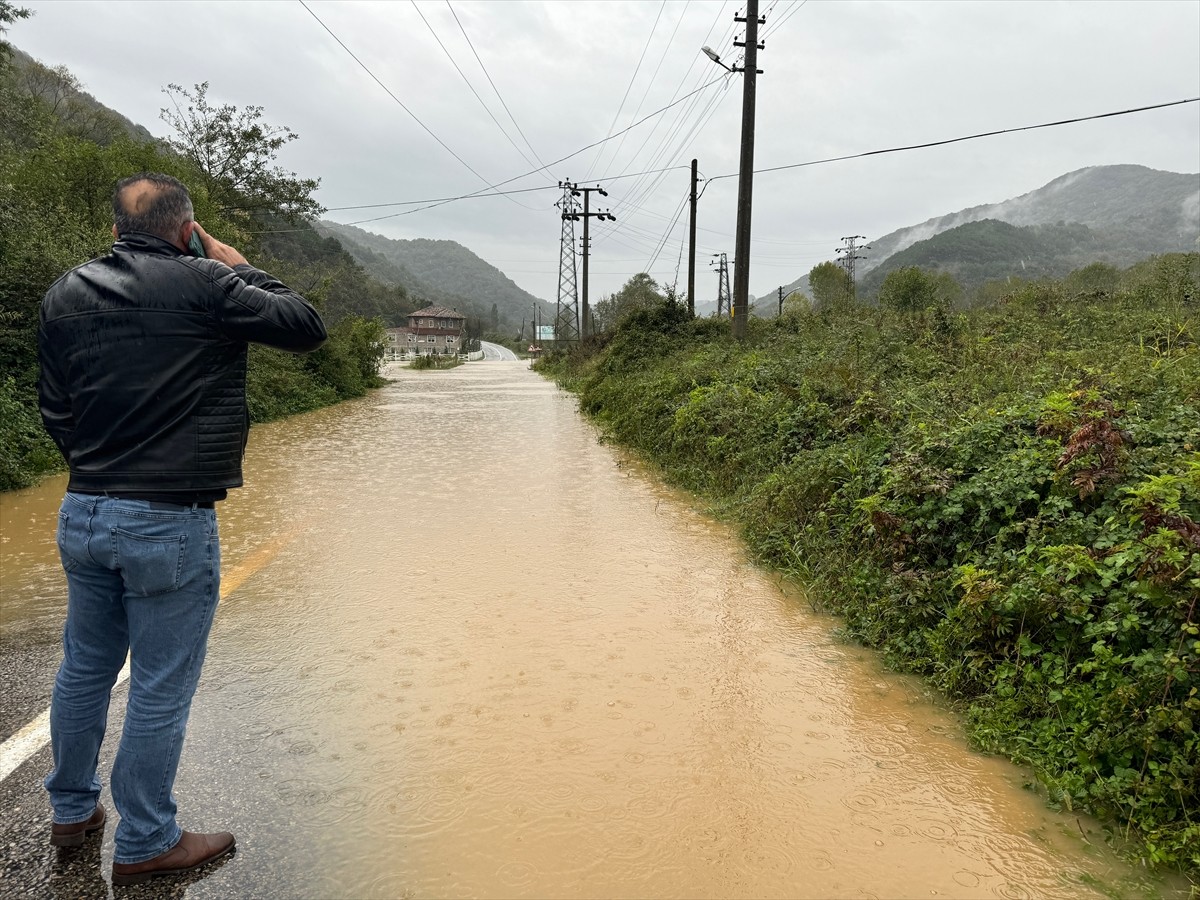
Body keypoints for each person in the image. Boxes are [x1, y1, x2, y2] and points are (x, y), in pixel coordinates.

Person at [38, 172, 327, 886]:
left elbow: (55, 409)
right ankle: (146, 842)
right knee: (160, 686)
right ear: (185, 230)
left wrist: (96, 471)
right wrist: (235, 261)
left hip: (84, 509)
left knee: (84, 668)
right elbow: (305, 325)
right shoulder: (207, 281)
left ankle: (72, 812)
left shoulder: (62, 294)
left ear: (114, 232)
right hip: (168, 518)